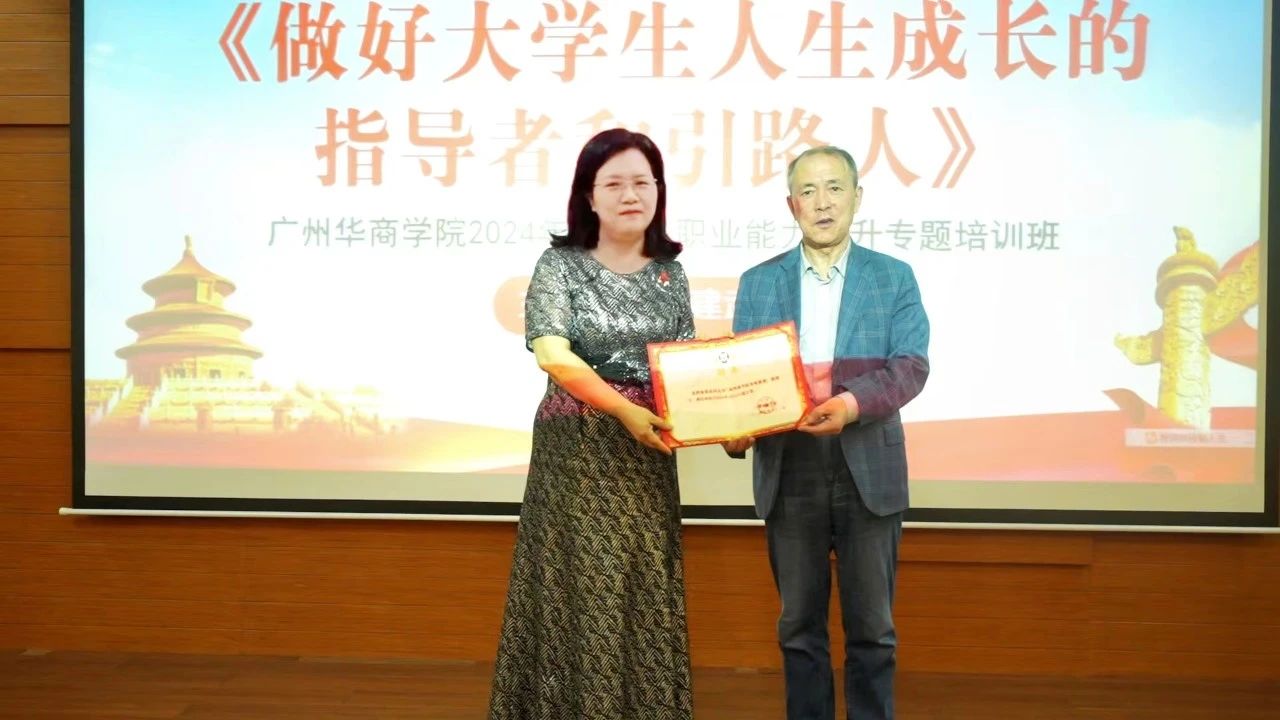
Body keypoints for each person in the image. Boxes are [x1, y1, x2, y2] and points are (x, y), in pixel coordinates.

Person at [487, 128, 695, 720]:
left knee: (641, 586)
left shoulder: (671, 274)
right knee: (579, 590)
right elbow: (553, 355)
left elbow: (684, 371)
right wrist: (623, 408)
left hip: (646, 455)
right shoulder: (560, 266)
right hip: (579, 451)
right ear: (589, 195)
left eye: (643, 182)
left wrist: (731, 423)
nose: (631, 195)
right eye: (615, 183)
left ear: (658, 191)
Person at [723, 145, 930, 720]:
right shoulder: (758, 282)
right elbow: (741, 378)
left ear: (857, 198)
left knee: (873, 631)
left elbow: (910, 366)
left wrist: (849, 404)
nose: (822, 202)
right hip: (789, 467)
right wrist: (734, 426)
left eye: (835, 188)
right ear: (792, 204)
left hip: (868, 466)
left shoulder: (893, 278)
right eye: (808, 191)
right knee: (798, 628)